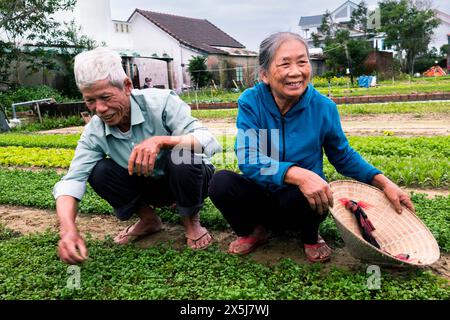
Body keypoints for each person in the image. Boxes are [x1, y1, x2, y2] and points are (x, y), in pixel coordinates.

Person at [208, 32, 414, 263]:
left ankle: (310, 236)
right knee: (221, 182)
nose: (295, 72)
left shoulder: (323, 107)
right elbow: (249, 158)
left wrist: (384, 182)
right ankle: (255, 231)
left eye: (302, 62)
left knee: (306, 192)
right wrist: (296, 174)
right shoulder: (252, 102)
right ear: (264, 75)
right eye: (284, 64)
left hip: (299, 202)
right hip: (262, 194)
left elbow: (343, 156)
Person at [53, 47, 221, 264]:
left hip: (192, 178)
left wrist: (161, 141)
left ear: (127, 86)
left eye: (105, 97)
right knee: (99, 171)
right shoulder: (94, 131)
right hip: (149, 184)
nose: (100, 109)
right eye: (90, 101)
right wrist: (67, 229)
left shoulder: (161, 102)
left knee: (182, 155)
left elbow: (208, 140)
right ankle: (149, 220)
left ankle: (190, 220)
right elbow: (72, 181)